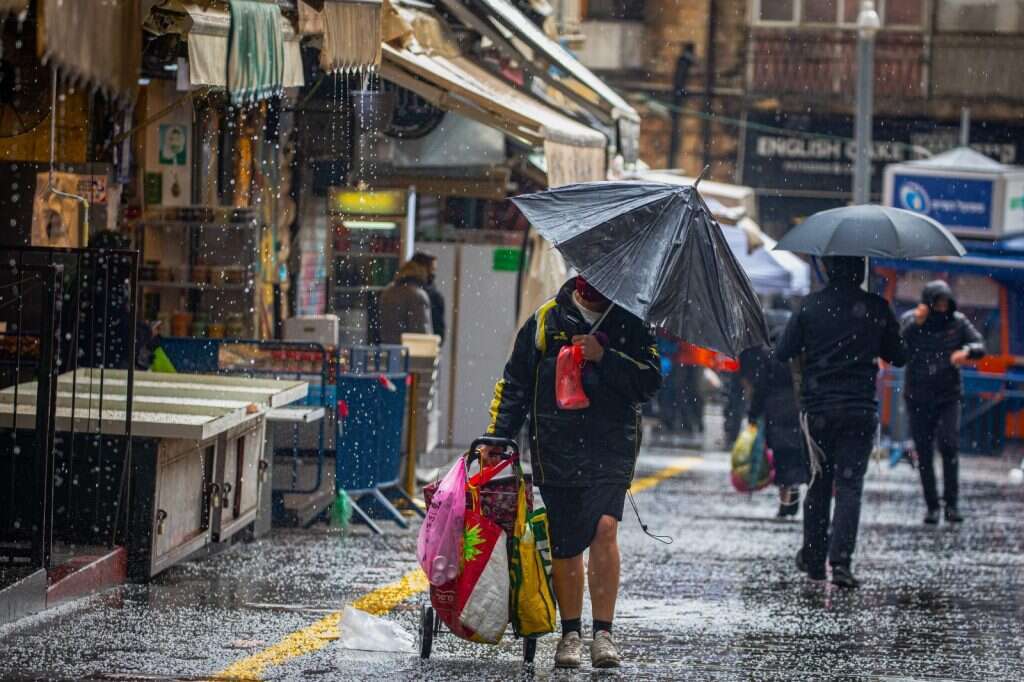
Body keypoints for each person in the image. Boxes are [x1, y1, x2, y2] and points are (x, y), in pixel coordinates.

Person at [483, 276, 661, 669]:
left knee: (604, 527)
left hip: (611, 447)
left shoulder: (632, 322)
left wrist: (604, 356)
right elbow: (515, 383)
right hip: (556, 445)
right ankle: (570, 634)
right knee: (565, 542)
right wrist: (497, 437)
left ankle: (603, 634)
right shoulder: (545, 320)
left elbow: (649, 380)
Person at [775, 256, 907, 589]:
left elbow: (783, 350)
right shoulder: (876, 307)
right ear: (860, 270)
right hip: (859, 410)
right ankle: (842, 563)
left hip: (818, 410)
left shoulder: (811, 306)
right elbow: (900, 355)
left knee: (818, 484)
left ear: (829, 269)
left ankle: (815, 561)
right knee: (850, 487)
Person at [900, 280, 985, 525]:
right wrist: (915, 323)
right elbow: (898, 346)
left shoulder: (957, 322)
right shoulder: (912, 320)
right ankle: (932, 505)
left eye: (944, 303)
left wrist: (967, 352)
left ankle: (952, 503)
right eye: (937, 302)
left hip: (947, 395)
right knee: (924, 452)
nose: (941, 307)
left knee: (949, 444)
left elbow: (979, 344)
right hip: (917, 396)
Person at [746, 308, 808, 518]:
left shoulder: (769, 353)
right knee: (796, 456)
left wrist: (753, 414)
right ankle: (793, 495)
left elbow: (760, 387)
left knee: (781, 459)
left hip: (775, 412)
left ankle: (785, 501)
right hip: (798, 409)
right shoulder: (801, 352)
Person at [378, 260, 432, 345]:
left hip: (388, 350)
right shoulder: (418, 295)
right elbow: (421, 331)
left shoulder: (387, 292)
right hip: (409, 352)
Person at [411, 252, 446, 344]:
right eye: (432, 270)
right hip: (422, 350)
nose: (433, 274)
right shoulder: (430, 296)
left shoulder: (394, 290)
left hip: (392, 351)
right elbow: (438, 332)